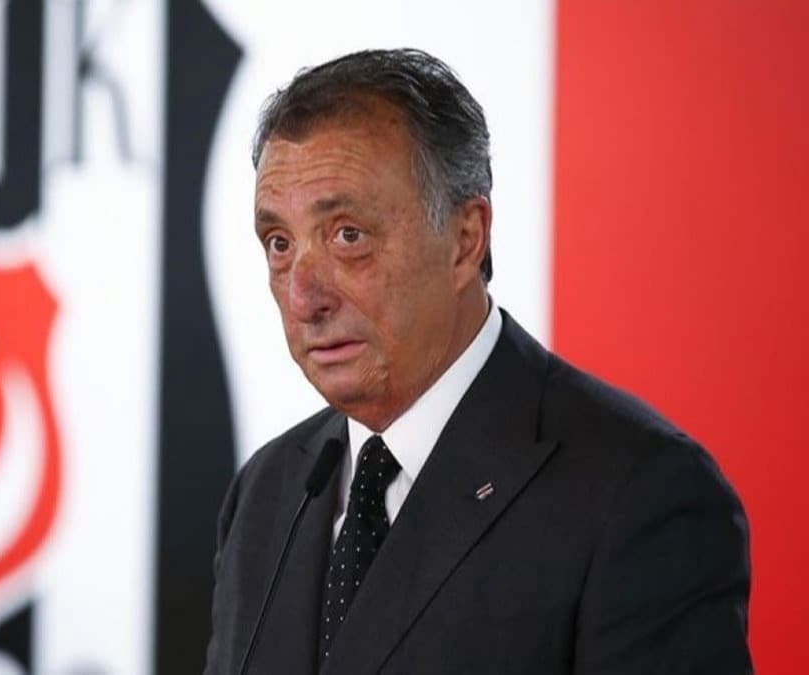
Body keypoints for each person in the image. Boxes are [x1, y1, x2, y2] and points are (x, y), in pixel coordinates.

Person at [204, 48, 751, 674]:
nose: (304, 298)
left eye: (348, 235)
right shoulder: (267, 491)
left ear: (466, 240)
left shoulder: (639, 493)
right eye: (279, 244)